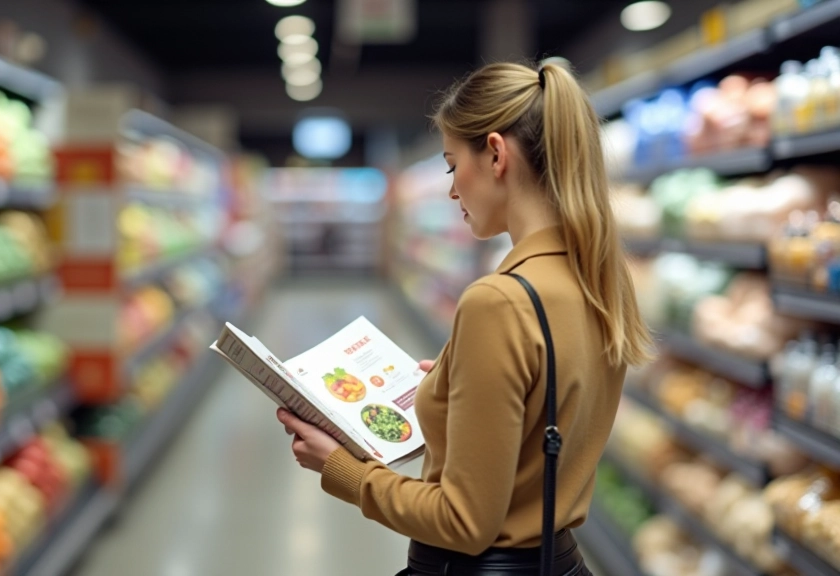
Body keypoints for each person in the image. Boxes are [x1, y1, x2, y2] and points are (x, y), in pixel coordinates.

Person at [276, 60, 653, 575]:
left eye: (453, 165)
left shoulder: (498, 302)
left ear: (496, 154)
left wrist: (341, 468)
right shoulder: (600, 279)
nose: (452, 190)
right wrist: (458, 392)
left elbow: (464, 522)